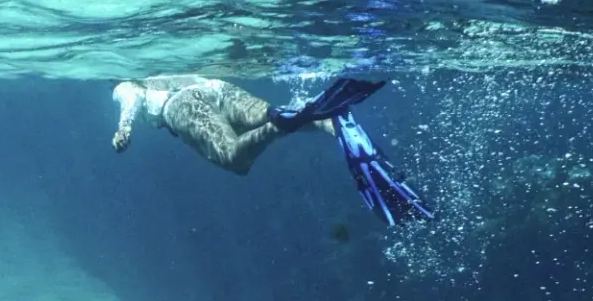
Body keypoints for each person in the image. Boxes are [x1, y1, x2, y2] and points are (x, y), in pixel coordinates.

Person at [110, 74, 434, 226]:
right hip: (216, 87)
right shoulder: (166, 71)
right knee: (266, 115)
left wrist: (123, 128)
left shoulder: (126, 83)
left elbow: (131, 98)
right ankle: (334, 125)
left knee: (234, 159)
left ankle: (288, 121)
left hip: (179, 103)